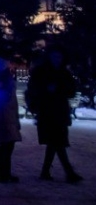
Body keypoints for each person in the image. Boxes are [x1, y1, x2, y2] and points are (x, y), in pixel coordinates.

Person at [26, 49, 83, 183]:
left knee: (55, 142)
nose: (57, 59)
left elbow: (71, 92)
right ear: (49, 57)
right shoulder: (41, 72)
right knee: (57, 142)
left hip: (60, 112)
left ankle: (46, 172)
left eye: (59, 56)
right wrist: (45, 92)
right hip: (46, 112)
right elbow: (33, 90)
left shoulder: (64, 73)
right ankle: (69, 172)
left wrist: (58, 89)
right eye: (54, 56)